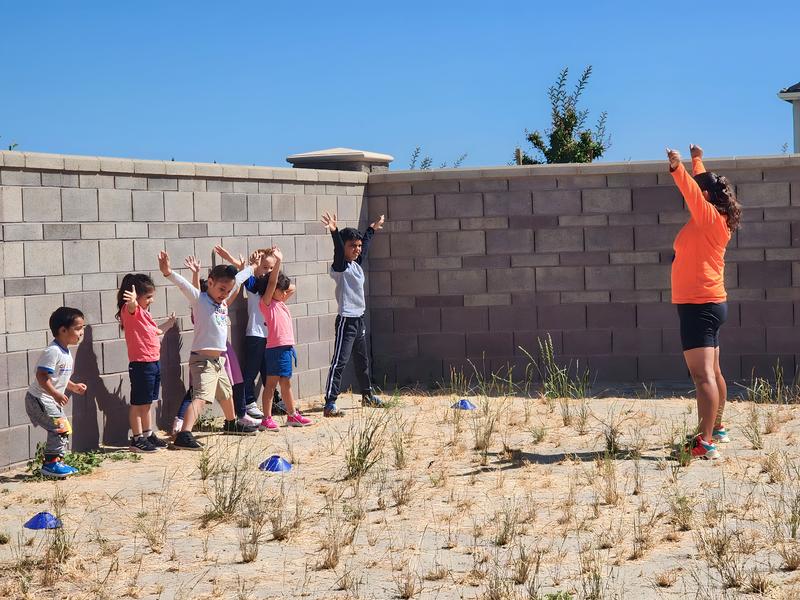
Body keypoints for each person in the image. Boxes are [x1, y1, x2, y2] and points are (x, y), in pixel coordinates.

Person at [667, 144, 741, 460]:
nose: (693, 198)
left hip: (699, 306)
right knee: (713, 371)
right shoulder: (716, 216)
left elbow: (693, 190)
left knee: (702, 377)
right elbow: (702, 184)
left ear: (707, 197)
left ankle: (705, 442)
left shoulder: (708, 216)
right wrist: (697, 159)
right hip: (708, 303)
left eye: (700, 194)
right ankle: (718, 428)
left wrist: (676, 167)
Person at [158, 250, 269, 449]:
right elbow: (183, 285)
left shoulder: (223, 303)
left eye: (227, 291)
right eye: (221, 289)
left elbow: (241, 277)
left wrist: (252, 267)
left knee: (226, 395)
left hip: (219, 361)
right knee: (200, 398)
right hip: (203, 361)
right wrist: (168, 272)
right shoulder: (200, 300)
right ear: (210, 282)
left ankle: (231, 423)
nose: (224, 294)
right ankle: (185, 434)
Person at [320, 212, 386, 417]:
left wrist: (371, 229)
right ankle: (330, 403)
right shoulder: (340, 267)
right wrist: (334, 232)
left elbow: (364, 246)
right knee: (340, 361)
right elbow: (339, 251)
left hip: (359, 320)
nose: (356, 250)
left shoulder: (356, 265)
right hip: (346, 322)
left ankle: (367, 396)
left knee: (362, 361)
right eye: (352, 246)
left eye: (357, 246)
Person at [25, 307, 87, 478]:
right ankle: (50, 465)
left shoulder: (65, 351)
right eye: (78, 328)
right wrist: (55, 394)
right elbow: (41, 375)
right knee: (61, 428)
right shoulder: (53, 351)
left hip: (48, 399)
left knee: (63, 428)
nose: (81, 332)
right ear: (63, 330)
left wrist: (73, 387)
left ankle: (56, 462)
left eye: (82, 328)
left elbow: (58, 378)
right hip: (38, 399)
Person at [116, 273, 172, 452]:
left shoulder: (145, 315)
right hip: (141, 364)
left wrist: (169, 324)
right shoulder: (130, 310)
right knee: (138, 403)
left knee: (148, 401)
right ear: (135, 296)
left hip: (153, 362)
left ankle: (148, 434)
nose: (151, 300)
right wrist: (132, 301)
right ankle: (137, 439)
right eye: (148, 297)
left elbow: (156, 332)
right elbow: (131, 307)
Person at [258, 248, 312, 430]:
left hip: (286, 348)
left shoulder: (280, 302)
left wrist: (282, 282)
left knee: (286, 383)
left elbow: (292, 287)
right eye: (280, 290)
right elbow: (272, 283)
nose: (283, 292)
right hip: (275, 349)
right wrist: (278, 263)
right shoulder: (267, 303)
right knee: (271, 384)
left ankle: (292, 415)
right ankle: (267, 418)